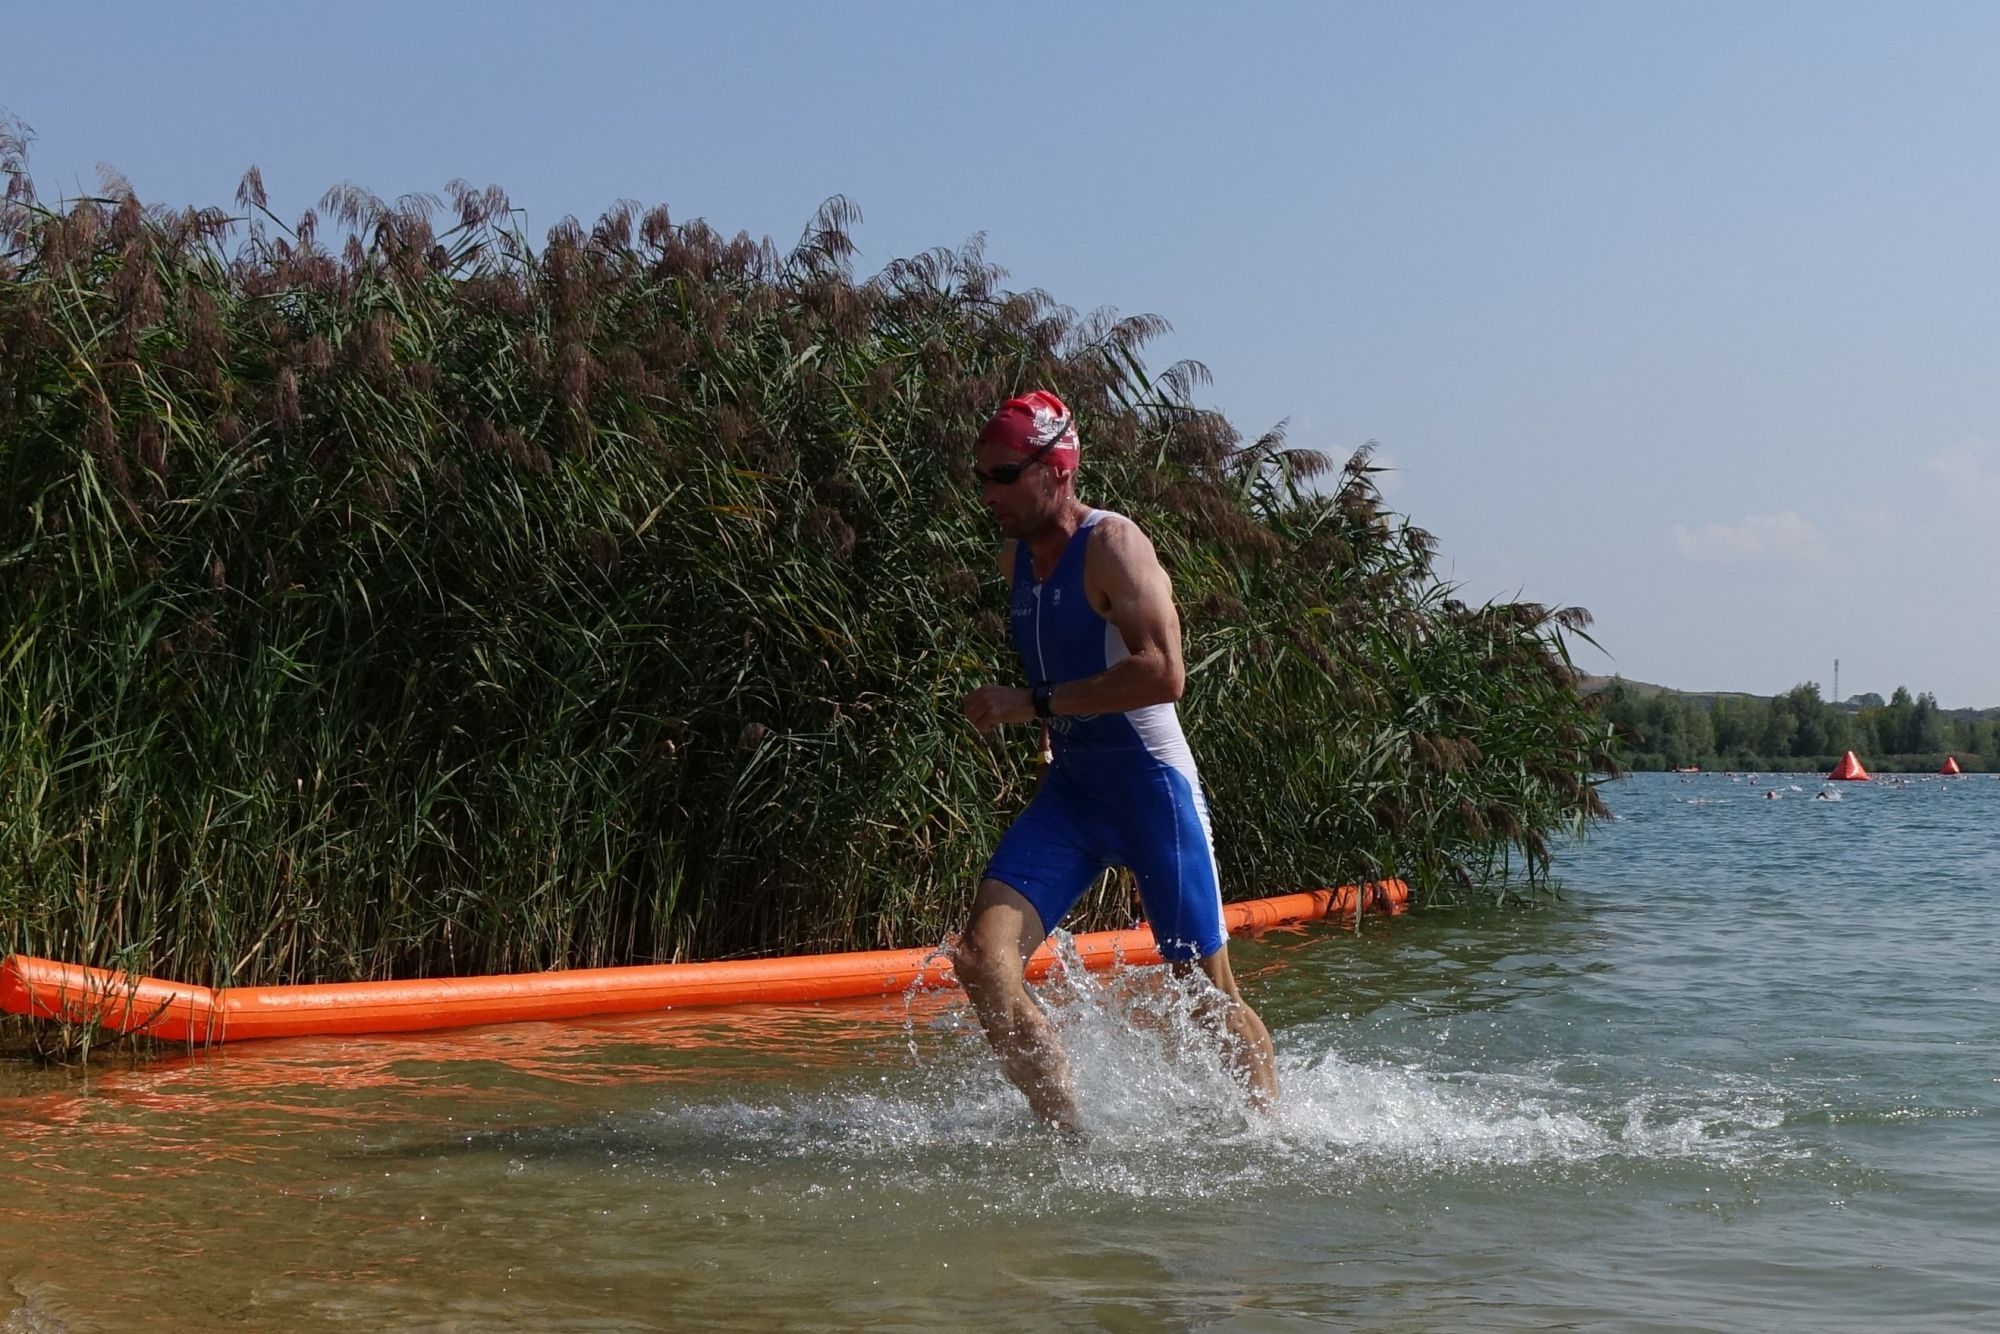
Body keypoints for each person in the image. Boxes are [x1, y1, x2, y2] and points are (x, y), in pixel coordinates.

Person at [955, 390, 1277, 1131]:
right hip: (1072, 794)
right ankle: (1069, 1139)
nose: (988, 494)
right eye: (981, 476)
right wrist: (1049, 726)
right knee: (980, 960)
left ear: (1057, 470)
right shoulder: (1014, 559)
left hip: (1148, 790)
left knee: (1203, 992)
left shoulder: (1113, 546)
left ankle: (1272, 1137)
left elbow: (1164, 673)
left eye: (1003, 475)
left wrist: (1034, 703)